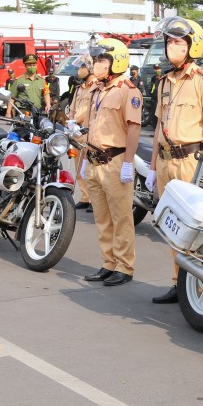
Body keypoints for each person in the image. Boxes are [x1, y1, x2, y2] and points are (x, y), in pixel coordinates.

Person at [146, 16, 203, 304]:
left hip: (191, 159)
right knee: (174, 228)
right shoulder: (165, 81)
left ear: (192, 46)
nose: (171, 47)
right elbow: (157, 127)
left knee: (195, 227)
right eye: (169, 42)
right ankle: (179, 283)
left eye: (178, 42)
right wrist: (152, 167)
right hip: (165, 161)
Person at [77, 38, 143, 287]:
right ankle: (108, 263)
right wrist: (84, 159)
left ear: (117, 62)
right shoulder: (96, 91)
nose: (97, 65)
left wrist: (128, 163)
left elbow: (133, 129)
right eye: (96, 60)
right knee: (102, 218)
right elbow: (88, 128)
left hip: (115, 161)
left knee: (121, 217)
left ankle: (124, 267)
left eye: (102, 60)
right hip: (93, 161)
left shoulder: (128, 91)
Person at [68, 55, 100, 211]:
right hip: (76, 132)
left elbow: (91, 110)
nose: (80, 69)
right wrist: (70, 122)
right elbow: (73, 107)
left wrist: (76, 121)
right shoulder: (80, 88)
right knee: (79, 166)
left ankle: (95, 200)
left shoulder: (97, 87)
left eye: (83, 66)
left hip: (88, 132)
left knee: (90, 168)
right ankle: (85, 197)